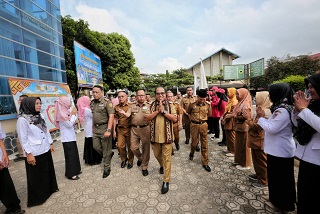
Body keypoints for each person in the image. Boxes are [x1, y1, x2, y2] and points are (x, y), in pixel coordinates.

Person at [257, 83, 296, 212]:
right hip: (277, 150)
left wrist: (261, 118)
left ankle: (284, 204)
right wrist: (265, 119)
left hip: (281, 151)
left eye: (271, 93)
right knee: (275, 177)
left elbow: (272, 128)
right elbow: (272, 125)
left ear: (278, 94)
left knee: (282, 180)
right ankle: (276, 199)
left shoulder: (283, 110)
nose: (269, 95)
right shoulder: (279, 108)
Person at [17, 97, 58, 207]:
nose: (39, 105)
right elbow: (23, 138)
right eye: (36, 103)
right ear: (29, 105)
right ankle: (39, 198)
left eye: (40, 103)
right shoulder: (22, 120)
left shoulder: (40, 115)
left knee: (47, 171)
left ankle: (50, 190)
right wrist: (29, 153)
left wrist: (50, 143)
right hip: (34, 152)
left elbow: (45, 130)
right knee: (36, 176)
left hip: (44, 148)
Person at [292, 73, 320, 214]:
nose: (310, 90)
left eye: (312, 86)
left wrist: (304, 110)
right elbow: (298, 123)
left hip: (317, 160)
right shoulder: (313, 106)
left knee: (313, 198)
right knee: (303, 193)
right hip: (306, 157)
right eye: (308, 87)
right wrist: (297, 111)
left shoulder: (309, 109)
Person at [145, 86, 177, 194]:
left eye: (162, 93)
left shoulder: (170, 105)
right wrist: (157, 111)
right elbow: (147, 118)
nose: (160, 95)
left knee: (167, 158)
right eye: (158, 93)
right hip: (154, 137)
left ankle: (166, 181)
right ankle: (161, 165)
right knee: (157, 155)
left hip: (167, 137)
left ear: (165, 94)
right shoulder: (151, 105)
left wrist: (163, 112)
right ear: (155, 95)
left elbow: (174, 119)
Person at [120, 89, 151, 176]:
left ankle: (144, 166)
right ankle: (141, 158)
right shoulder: (132, 106)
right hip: (134, 129)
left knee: (146, 148)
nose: (141, 97)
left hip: (145, 129)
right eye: (139, 95)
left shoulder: (149, 106)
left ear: (145, 96)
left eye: (142, 95)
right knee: (133, 148)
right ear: (136, 96)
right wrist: (124, 113)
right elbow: (128, 114)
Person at [247, 91, 271, 189]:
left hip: (260, 140)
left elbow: (257, 126)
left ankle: (264, 181)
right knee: (256, 160)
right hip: (255, 140)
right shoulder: (260, 109)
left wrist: (248, 119)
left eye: (257, 98)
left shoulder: (266, 112)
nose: (256, 100)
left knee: (262, 161)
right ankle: (259, 175)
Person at [54, 96, 81, 180]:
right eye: (69, 101)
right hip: (67, 139)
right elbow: (69, 124)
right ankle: (71, 174)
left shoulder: (65, 111)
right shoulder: (61, 114)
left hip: (71, 137)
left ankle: (76, 170)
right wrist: (73, 115)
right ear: (64, 103)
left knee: (74, 155)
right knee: (70, 157)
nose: (70, 103)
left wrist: (73, 114)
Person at [90, 85, 115, 178]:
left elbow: (111, 116)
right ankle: (109, 154)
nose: (94, 94)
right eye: (93, 92)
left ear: (101, 93)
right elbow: (94, 117)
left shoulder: (107, 103)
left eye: (96, 92)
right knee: (96, 147)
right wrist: (93, 127)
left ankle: (107, 167)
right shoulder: (92, 103)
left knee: (106, 149)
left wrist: (109, 130)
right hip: (96, 129)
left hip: (105, 128)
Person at [0, 125, 25, 214]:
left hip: (1, 160)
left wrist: (4, 153)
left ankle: (13, 208)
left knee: (6, 183)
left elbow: (0, 138)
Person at [187, 89, 212, 172]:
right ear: (197, 97)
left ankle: (205, 162)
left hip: (204, 125)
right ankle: (192, 153)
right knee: (194, 142)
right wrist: (192, 120)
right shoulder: (192, 104)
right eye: (200, 99)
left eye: (204, 99)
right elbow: (188, 113)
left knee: (204, 144)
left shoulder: (208, 105)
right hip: (194, 125)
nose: (202, 100)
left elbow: (210, 114)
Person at [77, 96, 102, 165]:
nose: (90, 102)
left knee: (89, 143)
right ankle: (93, 159)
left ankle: (90, 159)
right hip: (90, 127)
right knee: (92, 144)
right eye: (88, 100)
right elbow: (94, 115)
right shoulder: (86, 110)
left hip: (88, 127)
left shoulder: (84, 109)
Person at [232, 88, 252, 170]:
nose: (236, 96)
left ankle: (245, 164)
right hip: (239, 126)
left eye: (238, 94)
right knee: (239, 145)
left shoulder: (245, 104)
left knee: (244, 146)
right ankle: (239, 160)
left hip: (243, 127)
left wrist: (235, 116)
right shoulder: (240, 103)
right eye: (236, 94)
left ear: (243, 95)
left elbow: (246, 117)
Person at [114, 91, 134, 169]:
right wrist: (113, 131)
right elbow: (114, 119)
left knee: (130, 146)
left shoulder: (131, 106)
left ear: (126, 97)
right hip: (120, 129)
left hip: (129, 129)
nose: (120, 98)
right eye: (119, 97)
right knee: (120, 146)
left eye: (122, 96)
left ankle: (130, 161)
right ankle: (124, 159)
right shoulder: (116, 107)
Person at [221, 88, 238, 157]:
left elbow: (232, 113)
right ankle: (229, 149)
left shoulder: (234, 102)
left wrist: (225, 118)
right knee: (228, 136)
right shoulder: (230, 101)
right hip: (227, 120)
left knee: (231, 136)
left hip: (231, 121)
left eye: (228, 92)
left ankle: (233, 151)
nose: (227, 94)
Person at [13, 95, 28, 162]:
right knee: (19, 142)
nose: (20, 101)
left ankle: (23, 155)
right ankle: (22, 155)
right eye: (19, 99)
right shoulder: (21, 108)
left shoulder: (29, 109)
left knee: (20, 141)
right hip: (20, 129)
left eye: (22, 99)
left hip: (25, 130)